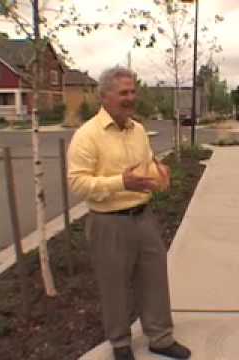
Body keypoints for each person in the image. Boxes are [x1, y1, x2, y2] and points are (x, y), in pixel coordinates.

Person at [68, 66, 191, 360]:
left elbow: (146, 163)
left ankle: (160, 338)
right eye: (124, 92)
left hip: (144, 217)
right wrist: (120, 182)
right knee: (114, 285)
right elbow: (77, 183)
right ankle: (121, 344)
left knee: (155, 278)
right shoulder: (87, 136)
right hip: (108, 222)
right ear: (105, 96)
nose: (131, 97)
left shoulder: (137, 131)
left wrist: (158, 172)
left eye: (133, 91)